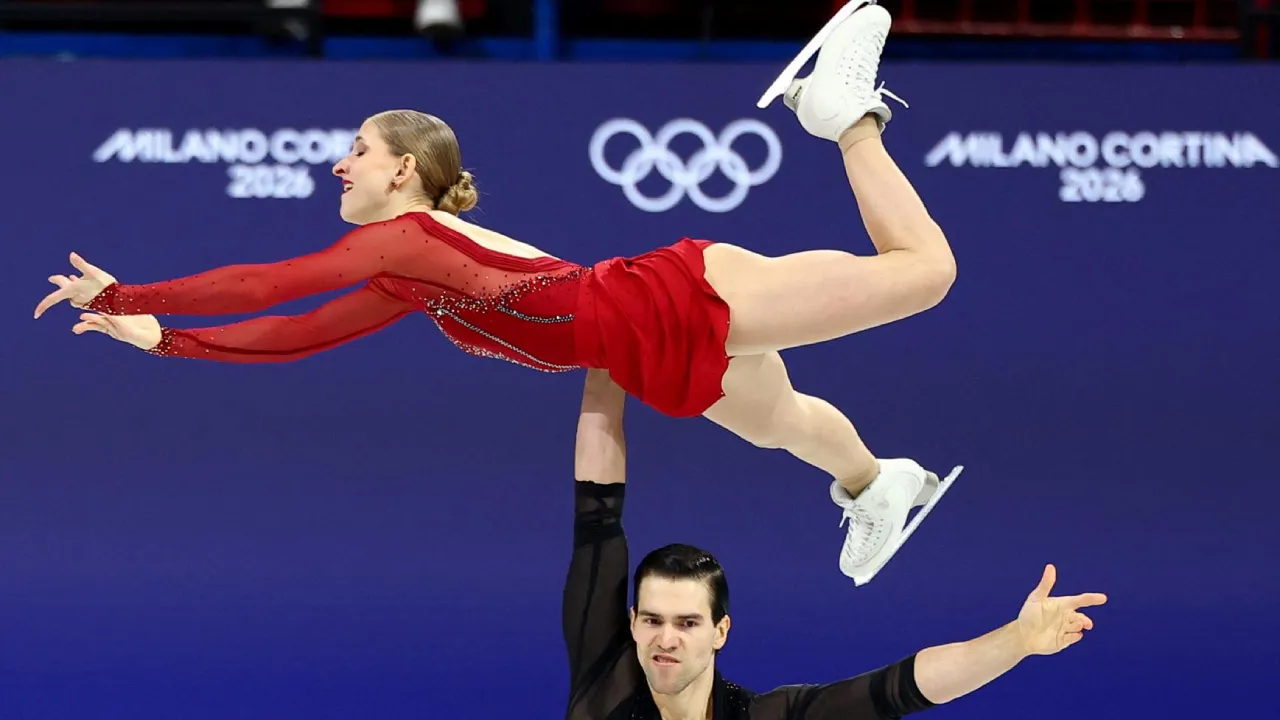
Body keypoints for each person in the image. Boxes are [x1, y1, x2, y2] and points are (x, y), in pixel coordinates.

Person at [33, 2, 958, 585]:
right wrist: (162, 342)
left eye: (355, 150)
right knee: (788, 422)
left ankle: (845, 114)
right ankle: (880, 487)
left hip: (672, 301)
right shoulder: (408, 274)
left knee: (925, 276)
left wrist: (125, 296)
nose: (336, 163)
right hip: (639, 350)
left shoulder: (403, 238)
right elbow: (296, 333)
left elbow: (268, 282)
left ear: (402, 171)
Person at [567, 368, 1107, 720]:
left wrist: (1016, 640)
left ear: (719, 632)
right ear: (633, 622)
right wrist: (606, 357)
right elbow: (597, 513)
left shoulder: (768, 717)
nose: (666, 638)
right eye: (654, 620)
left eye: (687, 623)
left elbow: (902, 687)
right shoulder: (604, 684)